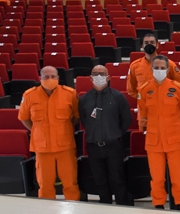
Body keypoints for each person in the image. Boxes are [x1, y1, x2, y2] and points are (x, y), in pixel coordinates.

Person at [137, 55, 180, 209]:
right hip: (154, 142)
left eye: (162, 68)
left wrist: (173, 125)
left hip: (175, 139)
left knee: (178, 177)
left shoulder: (179, 89)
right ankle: (158, 205)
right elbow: (143, 113)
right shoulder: (144, 89)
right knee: (157, 178)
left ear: (168, 70)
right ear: (151, 69)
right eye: (156, 68)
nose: (159, 70)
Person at [18, 66, 80, 200]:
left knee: (71, 184)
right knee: (45, 185)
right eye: (46, 77)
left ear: (58, 78)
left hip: (65, 146)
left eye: (53, 76)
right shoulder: (29, 95)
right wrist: (37, 130)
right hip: (42, 148)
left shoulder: (69, 94)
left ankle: (75, 212)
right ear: (40, 78)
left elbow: (76, 116)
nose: (49, 79)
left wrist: (66, 127)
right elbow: (24, 118)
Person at [79, 64, 132, 205]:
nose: (99, 76)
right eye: (95, 74)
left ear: (108, 77)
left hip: (113, 145)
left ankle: (122, 208)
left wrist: (114, 134)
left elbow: (126, 120)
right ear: (90, 78)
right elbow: (84, 120)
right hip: (93, 146)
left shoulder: (118, 96)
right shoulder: (84, 99)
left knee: (118, 179)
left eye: (102, 74)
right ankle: (105, 208)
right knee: (100, 181)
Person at [127, 33, 180, 98]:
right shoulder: (135, 66)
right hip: (145, 105)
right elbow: (131, 89)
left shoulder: (168, 64)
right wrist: (141, 97)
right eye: (146, 42)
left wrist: (171, 96)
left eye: (152, 42)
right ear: (142, 46)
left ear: (157, 45)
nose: (149, 44)